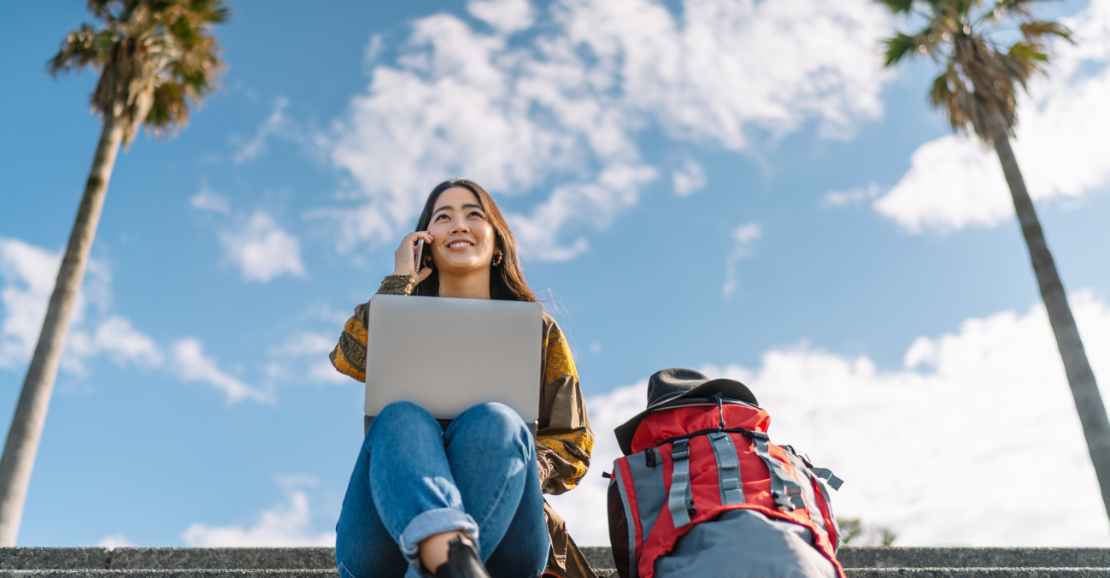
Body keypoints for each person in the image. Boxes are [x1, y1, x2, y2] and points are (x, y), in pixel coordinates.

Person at [329, 178, 596, 578]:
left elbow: (574, 446)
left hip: (508, 539)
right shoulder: (395, 316)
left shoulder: (538, 330)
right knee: (400, 417)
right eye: (442, 217)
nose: (458, 225)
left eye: (474, 214)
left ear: (497, 244)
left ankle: (450, 559)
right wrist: (400, 279)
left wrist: (515, 464)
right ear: (426, 243)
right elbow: (350, 358)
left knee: (498, 421)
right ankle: (452, 564)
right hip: (382, 540)